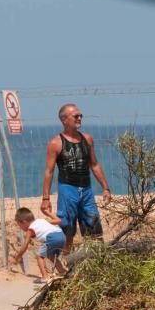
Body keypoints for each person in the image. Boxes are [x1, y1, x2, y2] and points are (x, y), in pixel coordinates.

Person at [41, 103, 111, 253]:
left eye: (81, 116)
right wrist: (45, 198)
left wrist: (105, 187)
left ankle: (97, 260)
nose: (79, 118)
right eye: (76, 116)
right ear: (64, 120)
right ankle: (66, 262)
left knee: (94, 227)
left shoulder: (87, 139)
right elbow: (49, 171)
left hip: (86, 190)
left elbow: (95, 164)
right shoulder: (55, 143)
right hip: (67, 190)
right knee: (67, 229)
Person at [13, 207, 66, 285]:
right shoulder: (42, 221)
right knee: (51, 256)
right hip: (62, 236)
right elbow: (58, 221)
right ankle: (62, 272)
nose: (20, 228)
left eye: (20, 225)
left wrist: (17, 257)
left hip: (51, 238)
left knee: (39, 256)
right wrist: (48, 213)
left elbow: (25, 246)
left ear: (24, 222)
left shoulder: (30, 229)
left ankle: (45, 277)